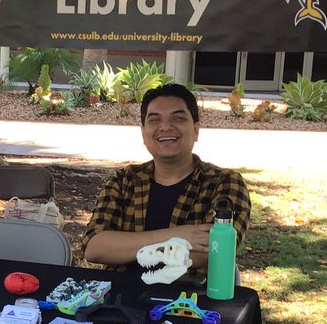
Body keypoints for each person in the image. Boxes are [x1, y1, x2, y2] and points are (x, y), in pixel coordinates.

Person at [81, 83, 250, 281]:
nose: (165, 127)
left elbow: (215, 251)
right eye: (154, 119)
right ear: (143, 133)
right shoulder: (124, 181)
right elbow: (94, 247)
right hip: (119, 301)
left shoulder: (225, 183)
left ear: (196, 130)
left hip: (191, 304)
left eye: (178, 118)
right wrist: (178, 236)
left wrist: (124, 247)